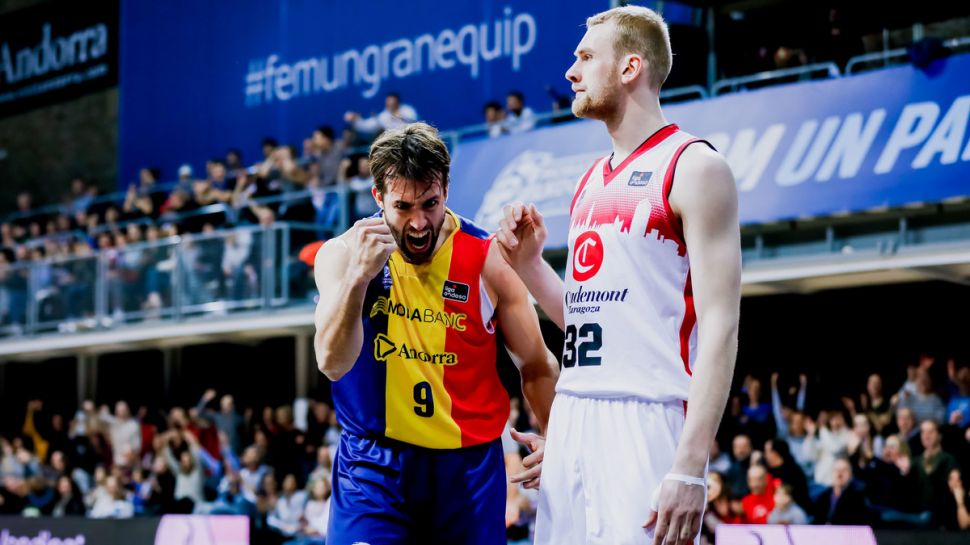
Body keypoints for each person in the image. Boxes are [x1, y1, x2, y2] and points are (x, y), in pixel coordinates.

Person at [496, 6, 740, 545]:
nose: (571, 72)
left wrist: (690, 466)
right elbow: (592, 320)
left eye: (586, 57)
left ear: (630, 67)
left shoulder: (695, 166)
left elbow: (722, 327)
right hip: (574, 417)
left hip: (648, 420)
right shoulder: (589, 179)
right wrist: (530, 265)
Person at [312, 122, 559, 544]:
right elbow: (332, 364)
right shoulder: (343, 254)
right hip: (373, 466)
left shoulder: (489, 259)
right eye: (403, 207)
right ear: (378, 197)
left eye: (430, 204)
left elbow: (536, 364)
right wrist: (358, 279)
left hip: (467, 470)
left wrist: (556, 439)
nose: (419, 223)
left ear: (446, 188)